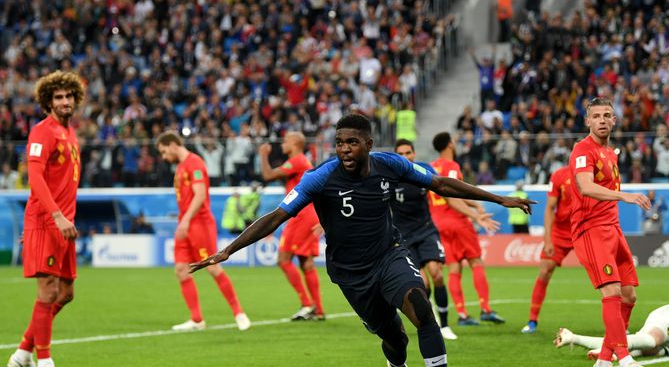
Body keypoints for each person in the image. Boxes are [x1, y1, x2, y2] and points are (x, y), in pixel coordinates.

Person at [190, 114, 535, 367]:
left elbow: (440, 184)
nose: (344, 149)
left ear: (368, 144)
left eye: (352, 142)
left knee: (420, 308)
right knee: (395, 339)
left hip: (390, 255)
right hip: (351, 273)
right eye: (339, 143)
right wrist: (228, 249)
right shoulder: (320, 177)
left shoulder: (390, 164)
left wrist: (498, 198)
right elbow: (277, 216)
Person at [7, 71, 85, 367]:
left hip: (63, 225)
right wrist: (52, 218)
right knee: (48, 290)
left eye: (68, 96)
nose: (65, 102)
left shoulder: (70, 133)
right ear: (47, 102)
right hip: (49, 221)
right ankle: (45, 360)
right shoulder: (43, 131)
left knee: (65, 293)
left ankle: (23, 351)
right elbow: (35, 178)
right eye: (58, 97)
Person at [568, 98, 651, 367]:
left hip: (613, 229)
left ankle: (604, 360)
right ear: (587, 121)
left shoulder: (610, 153)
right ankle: (624, 358)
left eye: (607, 115)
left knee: (629, 296)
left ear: (614, 120)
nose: (602, 120)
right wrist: (624, 196)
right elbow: (585, 186)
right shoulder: (583, 149)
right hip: (590, 229)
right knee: (612, 291)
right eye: (597, 116)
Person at [155, 131, 250, 332]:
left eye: (164, 152)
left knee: (212, 267)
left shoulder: (194, 163)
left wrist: (186, 220)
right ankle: (197, 320)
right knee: (181, 270)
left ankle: (239, 313)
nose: (164, 157)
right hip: (185, 224)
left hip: (199, 223)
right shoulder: (180, 167)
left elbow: (199, 195)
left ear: (172, 145)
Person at [430, 132, 506, 326]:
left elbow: (445, 193)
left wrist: (474, 205)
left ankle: (462, 314)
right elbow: (453, 192)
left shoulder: (431, 167)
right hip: (457, 220)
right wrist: (476, 215)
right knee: (475, 261)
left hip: (438, 223)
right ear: (449, 145)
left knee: (454, 267)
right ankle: (485, 309)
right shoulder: (452, 166)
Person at [392, 139, 457, 341]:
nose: (405, 157)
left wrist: (475, 212)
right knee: (423, 283)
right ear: (396, 156)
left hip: (426, 230)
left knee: (437, 274)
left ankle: (445, 325)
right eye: (400, 154)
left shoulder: (423, 170)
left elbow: (446, 191)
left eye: (408, 153)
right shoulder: (390, 176)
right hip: (404, 237)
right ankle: (428, 320)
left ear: (414, 153)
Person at [258, 132, 325, 320]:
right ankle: (318, 310)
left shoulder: (296, 161)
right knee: (306, 263)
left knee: (283, 259)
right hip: (309, 214)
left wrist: (263, 154)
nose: (282, 145)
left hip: (301, 215)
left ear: (295, 143)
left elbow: (268, 175)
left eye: (286, 141)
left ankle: (307, 304)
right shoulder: (303, 162)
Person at [521, 166, 574, 334]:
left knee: (601, 275)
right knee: (544, 270)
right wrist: (548, 240)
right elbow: (550, 207)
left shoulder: (594, 173)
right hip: (561, 230)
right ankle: (532, 321)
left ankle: (619, 326)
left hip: (585, 228)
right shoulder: (560, 175)